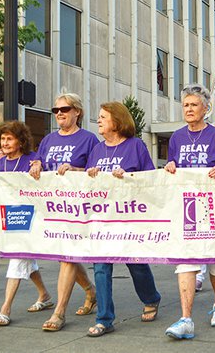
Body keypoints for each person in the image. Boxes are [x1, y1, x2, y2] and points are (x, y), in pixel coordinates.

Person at [164, 84, 215, 340]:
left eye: (193, 105)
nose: (188, 109)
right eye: (185, 105)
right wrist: (170, 166)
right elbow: (173, 166)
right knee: (186, 260)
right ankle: (186, 319)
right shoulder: (176, 137)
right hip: (188, 204)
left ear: (206, 108)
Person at [85, 102, 161, 337]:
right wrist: (90, 176)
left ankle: (151, 298)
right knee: (101, 267)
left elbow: (149, 179)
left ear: (117, 121)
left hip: (129, 218)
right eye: (99, 117)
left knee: (136, 264)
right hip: (103, 218)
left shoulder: (135, 145)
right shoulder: (97, 149)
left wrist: (128, 177)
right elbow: (87, 183)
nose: (98, 121)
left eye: (103, 117)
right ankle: (105, 318)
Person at [29, 93, 100, 332]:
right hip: (51, 207)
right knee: (64, 255)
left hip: (77, 207)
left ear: (77, 111)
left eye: (65, 109)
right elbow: (38, 163)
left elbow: (95, 173)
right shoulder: (48, 140)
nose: (59, 113)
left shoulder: (89, 139)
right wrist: (36, 164)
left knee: (69, 255)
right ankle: (90, 291)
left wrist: (76, 169)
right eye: (55, 110)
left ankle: (59, 312)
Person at [0, 121, 53, 326]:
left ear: (21, 141)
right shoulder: (0, 164)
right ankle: (45, 295)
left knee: (17, 258)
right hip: (10, 219)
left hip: (33, 218)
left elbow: (45, 186)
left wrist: (39, 168)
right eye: (2, 138)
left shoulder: (32, 159)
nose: (4, 143)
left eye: (9, 138)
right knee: (25, 258)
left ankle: (5, 309)